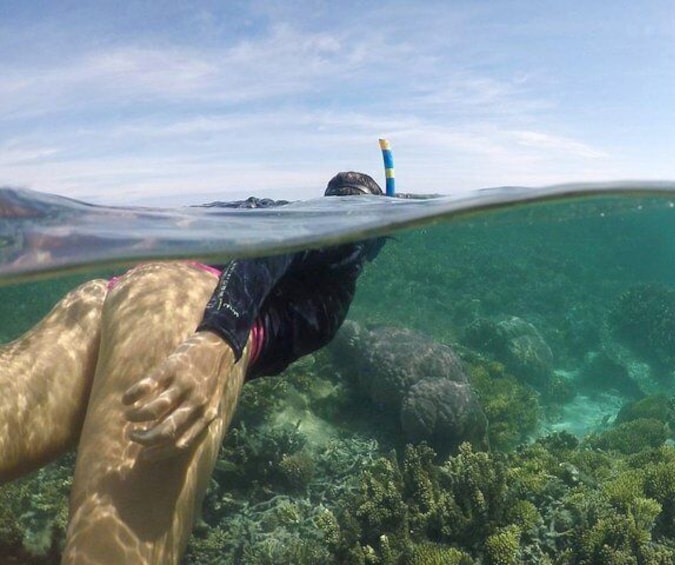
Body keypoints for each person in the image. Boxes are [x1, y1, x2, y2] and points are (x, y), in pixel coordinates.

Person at [0, 171, 386, 564]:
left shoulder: (266, 215)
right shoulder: (341, 269)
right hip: (185, 313)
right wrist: (219, 335)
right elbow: (286, 237)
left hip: (105, 295)